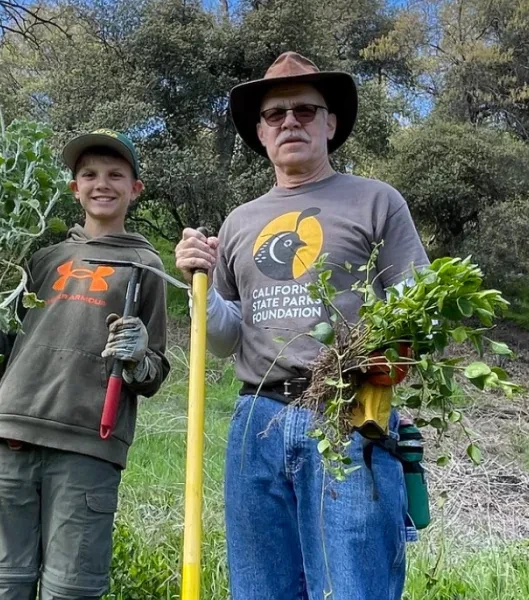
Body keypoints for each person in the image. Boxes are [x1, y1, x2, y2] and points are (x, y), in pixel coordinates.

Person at [174, 51, 430, 599]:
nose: (290, 121)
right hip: (255, 421)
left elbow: (417, 303)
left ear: (330, 123)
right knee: (261, 588)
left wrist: (392, 356)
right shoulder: (240, 221)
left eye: (306, 111)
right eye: (276, 114)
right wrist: (198, 287)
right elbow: (223, 338)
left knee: (352, 587)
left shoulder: (376, 201)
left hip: (348, 413)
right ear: (261, 133)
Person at [0, 129, 171, 600]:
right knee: (1, 585)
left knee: (71, 589)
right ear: (73, 187)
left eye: (116, 175)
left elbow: (154, 373)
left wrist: (140, 354)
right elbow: (0, 353)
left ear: (135, 188)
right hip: (16, 432)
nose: (102, 183)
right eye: (89, 174)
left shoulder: (146, 266)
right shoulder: (42, 258)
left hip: (88, 445)